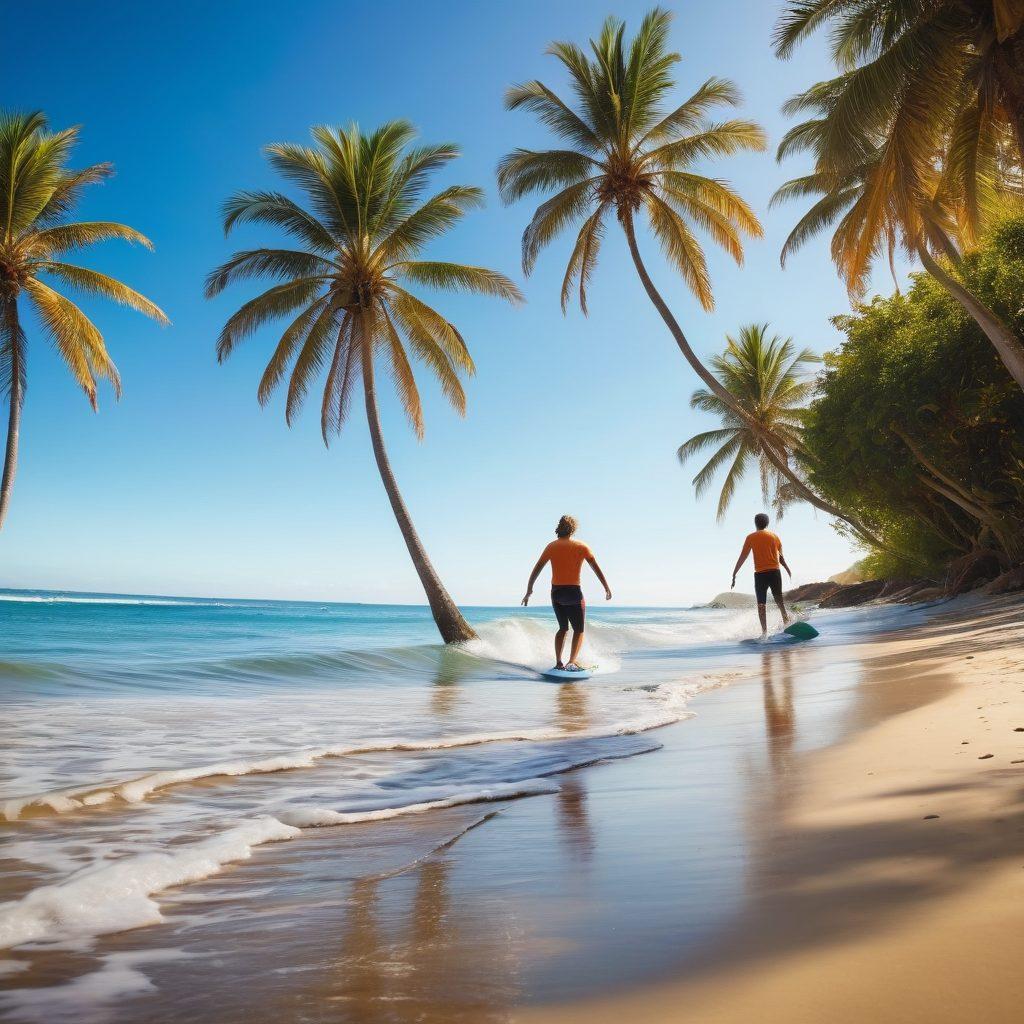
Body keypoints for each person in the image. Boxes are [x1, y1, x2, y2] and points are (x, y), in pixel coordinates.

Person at [522, 515, 611, 671]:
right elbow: (596, 568)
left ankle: (558, 662)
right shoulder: (582, 547)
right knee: (579, 630)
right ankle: (571, 661)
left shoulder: (551, 547)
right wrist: (606, 587)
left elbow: (537, 568)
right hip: (573, 593)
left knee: (563, 628)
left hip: (556, 593)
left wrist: (529, 590)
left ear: (559, 528)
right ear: (573, 529)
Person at [732, 512, 792, 639]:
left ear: (755, 523)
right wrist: (787, 568)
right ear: (767, 523)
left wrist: (734, 573)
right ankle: (786, 621)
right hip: (775, 572)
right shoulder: (774, 536)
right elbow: (781, 557)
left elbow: (743, 556)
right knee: (779, 600)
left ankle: (764, 633)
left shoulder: (751, 537)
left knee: (761, 604)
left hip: (760, 575)